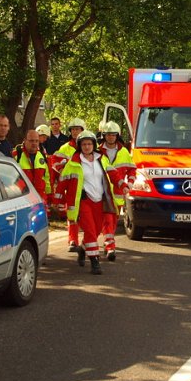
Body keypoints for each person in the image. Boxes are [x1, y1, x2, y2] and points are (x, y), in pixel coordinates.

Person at [56, 130, 117, 275]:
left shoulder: (101, 159)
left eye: (89, 144)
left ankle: (83, 249)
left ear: (94, 145)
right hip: (84, 202)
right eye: (84, 144)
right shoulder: (74, 162)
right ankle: (95, 262)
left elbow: (113, 174)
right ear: (80, 146)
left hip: (99, 201)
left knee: (96, 231)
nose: (87, 147)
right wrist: (57, 200)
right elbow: (62, 183)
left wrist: (123, 185)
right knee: (89, 230)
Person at [98, 121, 135, 261]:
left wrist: (130, 183)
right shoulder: (97, 151)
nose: (111, 137)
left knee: (111, 222)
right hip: (101, 192)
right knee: (107, 220)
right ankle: (110, 247)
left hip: (118, 194)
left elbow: (132, 169)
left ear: (117, 136)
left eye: (113, 135)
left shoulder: (124, 152)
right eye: (108, 135)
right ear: (104, 136)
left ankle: (107, 242)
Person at [51, 118, 86, 252]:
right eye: (73, 129)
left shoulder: (88, 145)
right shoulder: (65, 147)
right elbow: (55, 162)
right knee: (72, 214)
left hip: (87, 187)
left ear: (83, 130)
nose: (75, 132)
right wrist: (64, 169)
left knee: (86, 215)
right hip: (71, 186)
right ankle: (73, 240)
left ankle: (87, 240)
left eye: (78, 129)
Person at [14, 129, 51, 205]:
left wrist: (50, 197)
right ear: (25, 140)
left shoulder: (42, 156)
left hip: (40, 199)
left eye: (36, 141)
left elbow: (47, 178)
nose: (34, 143)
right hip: (23, 200)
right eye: (31, 141)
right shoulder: (16, 156)